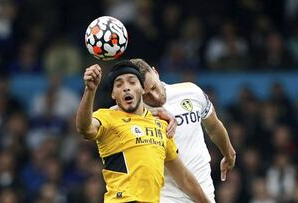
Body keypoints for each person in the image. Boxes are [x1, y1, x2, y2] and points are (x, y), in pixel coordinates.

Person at [76, 60, 210, 203]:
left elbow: (183, 177)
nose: (126, 88)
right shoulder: (107, 118)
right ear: (113, 95)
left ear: (142, 88)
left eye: (132, 82)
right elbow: (84, 129)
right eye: (119, 85)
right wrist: (90, 90)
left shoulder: (160, 125)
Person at [130, 58, 236, 203]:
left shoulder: (190, 91)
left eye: (154, 88)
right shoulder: (133, 115)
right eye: (145, 95)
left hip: (204, 190)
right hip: (166, 196)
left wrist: (228, 153)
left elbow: (213, 126)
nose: (154, 97)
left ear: (155, 72)